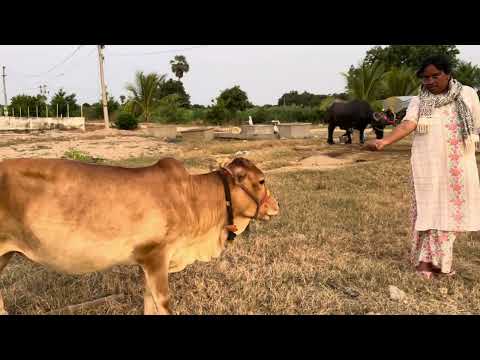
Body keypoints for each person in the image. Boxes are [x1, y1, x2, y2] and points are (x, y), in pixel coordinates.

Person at [366, 55, 480, 279]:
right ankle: (427, 266)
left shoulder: (468, 94)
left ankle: (436, 265)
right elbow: (408, 124)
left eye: (435, 76)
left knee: (449, 216)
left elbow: (477, 125)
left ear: (448, 74)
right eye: (425, 78)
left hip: (459, 164)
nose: (430, 81)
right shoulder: (419, 101)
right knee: (429, 212)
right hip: (428, 165)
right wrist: (384, 141)